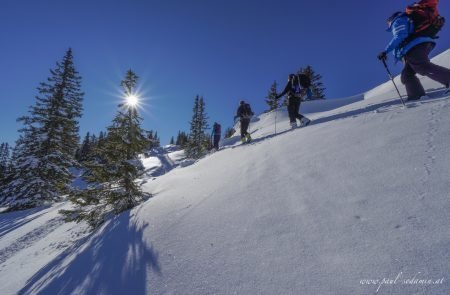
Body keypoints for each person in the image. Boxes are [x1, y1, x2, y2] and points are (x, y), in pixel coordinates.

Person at [378, 2, 450, 101]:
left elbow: (400, 36)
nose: (389, 25)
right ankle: (416, 96)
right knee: (406, 75)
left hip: (416, 45)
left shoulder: (397, 21)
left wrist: (385, 51)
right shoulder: (405, 20)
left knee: (422, 66)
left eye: (388, 23)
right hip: (415, 47)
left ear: (390, 20)